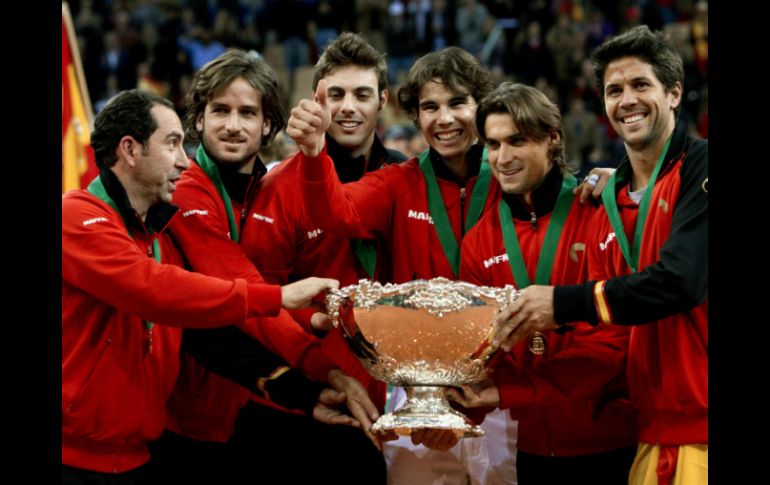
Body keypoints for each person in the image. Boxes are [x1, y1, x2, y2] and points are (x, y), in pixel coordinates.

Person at [61, 89, 349, 483]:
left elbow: (206, 338)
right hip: (74, 461)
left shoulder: (156, 237)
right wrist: (277, 296)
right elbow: (153, 289)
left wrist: (303, 394)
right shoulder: (75, 216)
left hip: (136, 457)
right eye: (173, 144)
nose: (184, 161)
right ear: (130, 149)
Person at [150, 49, 384, 483]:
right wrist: (322, 367)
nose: (233, 125)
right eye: (220, 111)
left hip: (252, 403)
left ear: (268, 125)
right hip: (190, 416)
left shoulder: (264, 187)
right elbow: (245, 287)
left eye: (247, 113)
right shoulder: (187, 192)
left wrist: (311, 322)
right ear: (197, 120)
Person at [490, 25, 708, 485]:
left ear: (674, 93)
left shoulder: (702, 168)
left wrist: (559, 304)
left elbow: (680, 281)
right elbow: (609, 329)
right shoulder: (607, 202)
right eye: (614, 90)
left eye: (640, 85)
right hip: (650, 435)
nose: (626, 99)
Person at [287, 46, 514, 485]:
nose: (444, 119)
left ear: (481, 107)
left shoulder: (513, 175)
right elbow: (336, 213)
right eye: (430, 107)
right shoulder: (398, 181)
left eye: (457, 103)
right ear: (414, 115)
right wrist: (316, 155)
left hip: (502, 397)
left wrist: (597, 180)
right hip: (416, 401)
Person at [238, 32, 407, 484]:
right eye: (336, 94)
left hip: (385, 403)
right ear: (317, 99)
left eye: (362, 94)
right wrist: (314, 326)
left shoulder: (405, 182)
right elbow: (260, 301)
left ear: (383, 100)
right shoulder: (278, 189)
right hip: (304, 403)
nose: (348, 107)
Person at [448, 82, 637, 484]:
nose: (502, 157)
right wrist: (457, 407)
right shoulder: (479, 241)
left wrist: (511, 392)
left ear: (552, 139)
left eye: (516, 141)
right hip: (530, 449)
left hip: (608, 442)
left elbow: (612, 344)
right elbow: (482, 348)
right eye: (493, 145)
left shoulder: (600, 214)